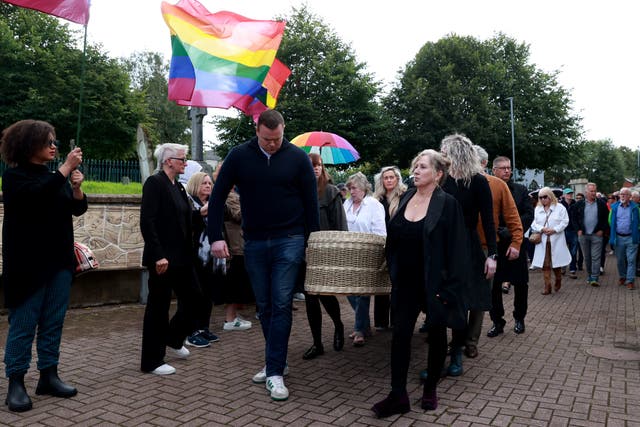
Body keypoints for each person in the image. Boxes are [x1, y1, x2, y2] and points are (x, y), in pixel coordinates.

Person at [208, 109, 319, 402]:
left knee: (282, 302)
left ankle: (274, 373)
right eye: (268, 139)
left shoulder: (297, 158)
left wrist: (314, 241)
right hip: (254, 241)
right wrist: (216, 237)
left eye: (278, 138)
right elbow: (217, 196)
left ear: (284, 131)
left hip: (290, 239)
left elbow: (311, 203)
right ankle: (276, 361)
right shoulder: (238, 156)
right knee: (265, 306)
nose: (273, 144)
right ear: (257, 130)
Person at [371, 149, 467, 417]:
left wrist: (449, 290)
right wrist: (392, 267)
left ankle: (430, 389)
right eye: (415, 166)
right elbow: (395, 237)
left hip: (435, 284)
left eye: (422, 167)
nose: (415, 171)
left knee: (436, 336)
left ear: (437, 174)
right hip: (405, 283)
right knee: (400, 336)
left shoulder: (447, 204)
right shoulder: (407, 198)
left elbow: (458, 250)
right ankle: (398, 394)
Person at [0, 120, 87, 412]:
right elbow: (36, 197)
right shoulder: (14, 178)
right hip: (28, 267)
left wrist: (76, 189)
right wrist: (64, 170)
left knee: (53, 321)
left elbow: (76, 208)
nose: (54, 146)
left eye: (55, 142)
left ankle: (48, 375)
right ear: (28, 145)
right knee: (24, 324)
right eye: (47, 141)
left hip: (59, 262)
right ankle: (16, 382)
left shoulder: (54, 178)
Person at [140, 143, 205, 376]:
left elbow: (184, 220)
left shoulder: (178, 187)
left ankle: (174, 338)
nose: (185, 163)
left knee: (196, 298)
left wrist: (201, 214)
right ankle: (152, 361)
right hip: (163, 259)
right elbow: (148, 222)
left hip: (183, 258)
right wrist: (158, 255)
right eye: (181, 159)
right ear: (168, 161)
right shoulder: (155, 184)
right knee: (158, 307)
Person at [439, 134, 496, 376]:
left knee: (463, 301)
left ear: (454, 153)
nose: (441, 155)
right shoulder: (441, 180)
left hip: (467, 245)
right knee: (441, 299)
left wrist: (492, 255)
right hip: (441, 244)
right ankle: (443, 351)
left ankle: (458, 353)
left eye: (444, 151)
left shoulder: (478, 182)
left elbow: (489, 221)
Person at [470, 152, 526, 344]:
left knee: (519, 283)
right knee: (491, 290)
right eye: (503, 168)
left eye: (509, 168)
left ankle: (519, 318)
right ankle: (497, 321)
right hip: (484, 245)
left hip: (502, 245)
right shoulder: (459, 184)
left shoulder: (512, 188)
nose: (507, 171)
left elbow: (519, 217)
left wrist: (515, 240)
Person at [302, 153, 347, 360]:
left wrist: (339, 251)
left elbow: (340, 226)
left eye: (318, 165)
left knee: (326, 295)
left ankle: (338, 325)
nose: (315, 168)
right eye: (311, 165)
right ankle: (317, 343)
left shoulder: (330, 192)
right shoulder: (300, 191)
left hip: (327, 250)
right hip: (305, 251)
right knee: (311, 298)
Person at [343, 172, 387, 346]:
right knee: (349, 290)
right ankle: (364, 324)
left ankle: (360, 329)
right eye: (349, 188)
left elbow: (380, 231)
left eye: (354, 188)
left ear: (363, 188)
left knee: (362, 293)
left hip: (367, 253)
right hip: (348, 253)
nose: (351, 191)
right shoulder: (346, 203)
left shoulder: (374, 205)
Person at [183, 172, 221, 348]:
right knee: (195, 294)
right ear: (195, 185)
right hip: (194, 254)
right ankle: (191, 331)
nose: (208, 186)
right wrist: (200, 213)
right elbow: (186, 224)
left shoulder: (211, 203)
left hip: (210, 256)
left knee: (208, 292)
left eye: (210, 183)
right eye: (204, 183)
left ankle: (203, 327)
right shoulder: (189, 202)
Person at [373, 166, 408, 331]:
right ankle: (380, 322)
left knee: (396, 283)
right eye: (385, 178)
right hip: (380, 243)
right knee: (380, 283)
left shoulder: (404, 196)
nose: (388, 180)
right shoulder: (376, 199)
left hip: (398, 244)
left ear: (397, 179)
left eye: (391, 177)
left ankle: (396, 319)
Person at [530, 187, 571, 294]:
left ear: (550, 196)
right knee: (545, 265)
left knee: (556, 264)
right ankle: (547, 286)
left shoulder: (560, 207)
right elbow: (533, 223)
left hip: (556, 240)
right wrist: (542, 229)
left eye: (545, 197)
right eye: (540, 197)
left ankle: (558, 279)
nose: (543, 199)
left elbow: (565, 221)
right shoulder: (537, 209)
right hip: (542, 241)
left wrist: (555, 230)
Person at [571, 183, 609, 286]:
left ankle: (594, 278)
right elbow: (573, 218)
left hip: (596, 235)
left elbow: (606, 218)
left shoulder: (601, 204)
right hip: (583, 235)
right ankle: (590, 274)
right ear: (586, 192)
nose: (593, 193)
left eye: (594, 191)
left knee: (596, 257)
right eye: (591, 191)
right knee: (587, 257)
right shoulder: (579, 204)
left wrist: (602, 229)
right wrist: (578, 230)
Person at [608, 188, 639, 290]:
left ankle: (630, 280)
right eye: (621, 194)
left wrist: (636, 230)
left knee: (631, 260)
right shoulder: (615, 207)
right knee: (620, 260)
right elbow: (610, 221)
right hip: (619, 237)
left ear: (630, 196)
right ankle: (622, 276)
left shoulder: (635, 208)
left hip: (631, 237)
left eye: (625, 194)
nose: (622, 196)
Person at [560, 188, 579, 279]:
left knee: (573, 251)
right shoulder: (560, 205)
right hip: (562, 230)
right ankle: (563, 267)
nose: (570, 195)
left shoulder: (575, 204)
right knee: (563, 250)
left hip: (573, 230)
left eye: (571, 193)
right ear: (564, 195)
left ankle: (572, 269)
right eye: (568, 194)